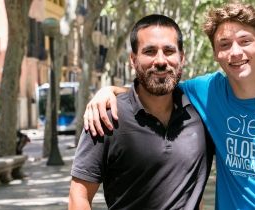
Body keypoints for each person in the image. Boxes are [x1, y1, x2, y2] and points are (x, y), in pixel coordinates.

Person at [84, 3, 255, 210]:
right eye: (224, 45)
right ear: (216, 54)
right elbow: (159, 82)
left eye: (245, 41)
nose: (236, 53)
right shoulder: (206, 91)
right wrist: (109, 91)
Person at [68, 14, 214, 210]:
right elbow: (79, 197)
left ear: (182, 58)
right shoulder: (105, 117)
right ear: (133, 59)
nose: (161, 60)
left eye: (169, 51)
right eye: (150, 51)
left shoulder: (203, 113)